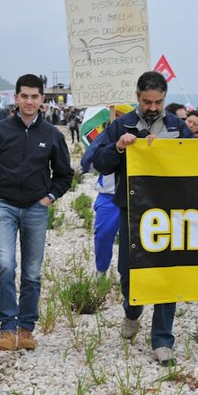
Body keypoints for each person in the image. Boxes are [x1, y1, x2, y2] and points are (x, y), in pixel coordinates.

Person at [92, 71, 192, 366]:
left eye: (158, 102)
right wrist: (119, 146)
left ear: (165, 98)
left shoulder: (178, 126)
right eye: (147, 101)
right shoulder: (120, 125)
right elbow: (99, 162)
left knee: (167, 274)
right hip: (132, 210)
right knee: (128, 272)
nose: (152, 107)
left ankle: (162, 340)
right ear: (137, 97)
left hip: (169, 213)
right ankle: (132, 310)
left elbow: (195, 162)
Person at [0, 74, 73, 352]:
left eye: (34, 96)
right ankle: (7, 328)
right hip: (3, 205)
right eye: (24, 96)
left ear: (43, 99)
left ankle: (26, 328)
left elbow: (65, 174)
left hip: (35, 208)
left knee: (32, 271)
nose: (29, 101)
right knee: (5, 265)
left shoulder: (52, 135)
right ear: (16, 98)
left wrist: (50, 197)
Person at [80, 104, 135, 277]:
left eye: (121, 115)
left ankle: (132, 275)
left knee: (135, 239)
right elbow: (87, 162)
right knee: (103, 235)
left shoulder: (139, 135)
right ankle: (101, 270)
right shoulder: (105, 137)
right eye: (115, 115)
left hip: (134, 195)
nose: (117, 118)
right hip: (108, 195)